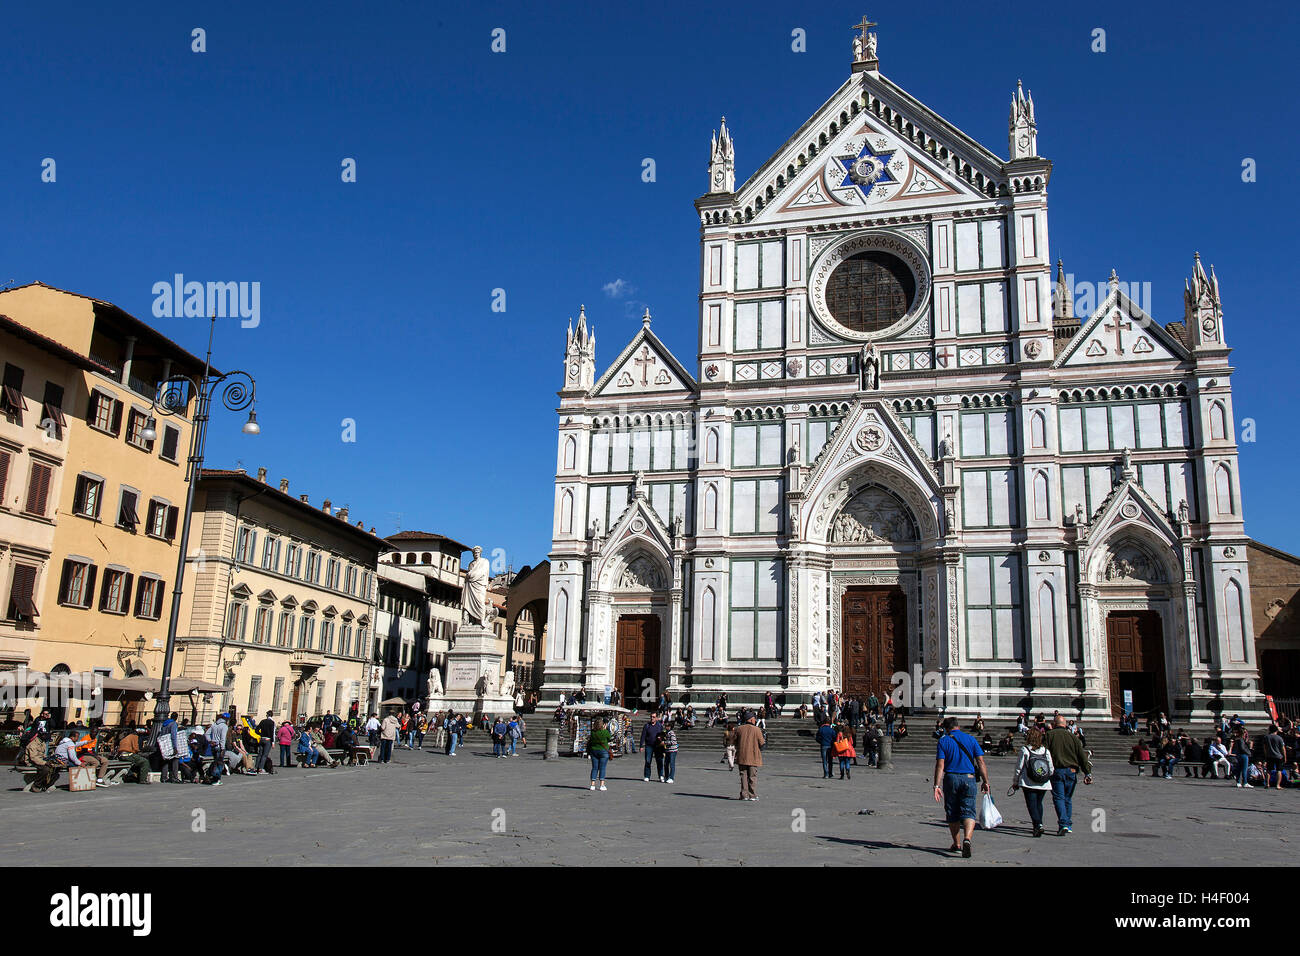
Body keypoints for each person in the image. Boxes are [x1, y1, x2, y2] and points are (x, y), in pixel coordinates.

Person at [932, 716, 990, 858]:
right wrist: (985, 781)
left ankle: (957, 844)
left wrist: (936, 785)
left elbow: (940, 765)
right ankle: (967, 840)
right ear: (958, 726)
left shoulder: (943, 740)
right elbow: (981, 762)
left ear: (946, 728)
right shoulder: (971, 739)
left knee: (952, 812)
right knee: (969, 811)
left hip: (951, 778)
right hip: (969, 778)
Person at [1044, 715, 1093, 835]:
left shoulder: (1049, 736)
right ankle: (1068, 824)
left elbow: (1043, 753)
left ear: (1054, 724)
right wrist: (1088, 773)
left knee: (1059, 798)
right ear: (1065, 725)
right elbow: (1082, 756)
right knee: (1067, 798)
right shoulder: (1073, 737)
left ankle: (1063, 824)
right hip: (1071, 771)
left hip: (1057, 771)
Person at [1010, 727, 1055, 837]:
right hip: (1043, 783)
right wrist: (1044, 776)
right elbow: (1051, 768)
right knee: (1039, 803)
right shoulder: (1045, 751)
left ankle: (1037, 824)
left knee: (1031, 804)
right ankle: (1039, 823)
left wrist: (1015, 781)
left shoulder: (1025, 750)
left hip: (1028, 782)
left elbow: (1018, 768)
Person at [733, 713, 765, 801]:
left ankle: (744, 795)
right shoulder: (757, 730)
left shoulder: (739, 729)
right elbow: (762, 743)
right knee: (752, 776)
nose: (755, 720)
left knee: (743, 775)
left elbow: (734, 742)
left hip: (742, 756)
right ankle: (752, 795)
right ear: (751, 719)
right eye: (754, 719)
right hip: (753, 756)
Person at [586, 717, 611, 790]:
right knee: (602, 768)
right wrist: (605, 729)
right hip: (603, 751)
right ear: (602, 725)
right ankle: (602, 785)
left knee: (594, 768)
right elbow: (609, 738)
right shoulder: (605, 732)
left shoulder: (593, 732)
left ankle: (592, 784)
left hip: (594, 751)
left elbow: (590, 740)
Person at [158, 712, 183, 783]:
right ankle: (175, 777)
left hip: (164, 744)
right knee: (175, 759)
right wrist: (175, 747)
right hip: (171, 744)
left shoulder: (164, 724)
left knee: (166, 760)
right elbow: (173, 735)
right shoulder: (173, 724)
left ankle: (164, 777)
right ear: (176, 717)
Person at [205, 714, 229, 785]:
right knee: (220, 763)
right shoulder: (224, 726)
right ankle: (216, 779)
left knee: (215, 761)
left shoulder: (214, 724)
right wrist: (223, 748)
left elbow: (207, 734)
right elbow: (223, 738)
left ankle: (213, 777)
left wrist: (210, 741)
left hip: (213, 746)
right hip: (219, 746)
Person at [641, 714, 665, 782]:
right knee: (648, 761)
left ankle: (661, 775)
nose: (652, 718)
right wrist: (641, 745)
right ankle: (647, 776)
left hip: (658, 746)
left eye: (653, 717)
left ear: (656, 718)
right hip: (649, 745)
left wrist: (661, 739)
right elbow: (643, 735)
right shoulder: (647, 725)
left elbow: (662, 735)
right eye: (651, 717)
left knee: (659, 761)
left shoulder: (659, 725)